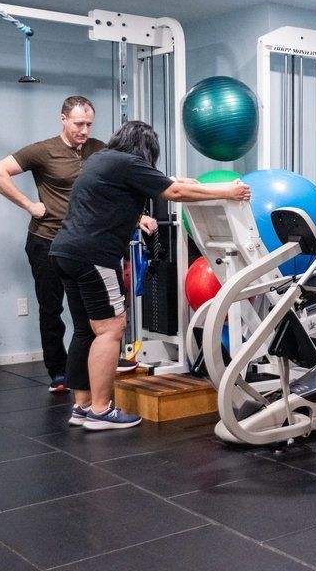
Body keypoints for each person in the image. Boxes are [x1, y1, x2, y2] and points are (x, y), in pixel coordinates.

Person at [49, 120, 250, 430]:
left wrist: (192, 184)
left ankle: (82, 406)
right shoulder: (128, 164)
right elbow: (174, 191)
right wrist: (229, 190)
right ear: (146, 150)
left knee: (86, 331)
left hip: (65, 251)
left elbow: (170, 181)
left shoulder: (102, 159)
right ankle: (101, 411)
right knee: (110, 329)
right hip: (93, 256)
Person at [0, 97, 152, 392]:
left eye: (89, 124)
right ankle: (58, 371)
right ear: (63, 119)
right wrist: (29, 205)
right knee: (51, 308)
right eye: (78, 124)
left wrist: (138, 216)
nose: (84, 130)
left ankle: (101, 362)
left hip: (90, 242)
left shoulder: (100, 150)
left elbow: (116, 188)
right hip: (47, 239)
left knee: (96, 313)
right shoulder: (43, 150)